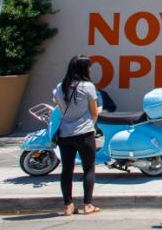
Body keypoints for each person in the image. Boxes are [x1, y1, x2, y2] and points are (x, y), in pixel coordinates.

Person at [53, 55, 100, 216]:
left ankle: (68, 205)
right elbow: (94, 112)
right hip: (85, 133)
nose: (91, 69)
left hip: (65, 134)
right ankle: (87, 204)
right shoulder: (88, 87)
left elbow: (60, 109)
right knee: (89, 168)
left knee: (67, 169)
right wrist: (90, 124)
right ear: (84, 69)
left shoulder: (60, 87)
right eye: (89, 66)